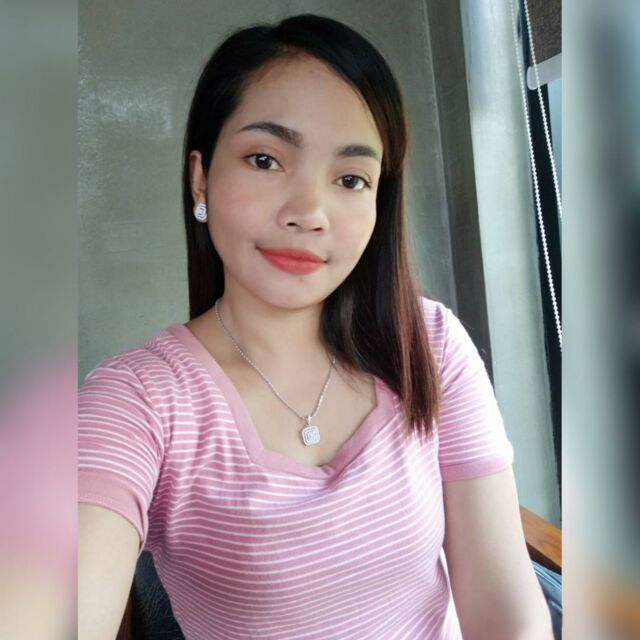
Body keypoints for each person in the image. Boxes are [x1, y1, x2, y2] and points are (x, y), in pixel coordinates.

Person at [78, 13, 553, 640]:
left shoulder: (430, 345)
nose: (309, 212)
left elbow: (505, 607)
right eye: (265, 159)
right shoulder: (139, 401)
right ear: (200, 176)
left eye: (351, 178)